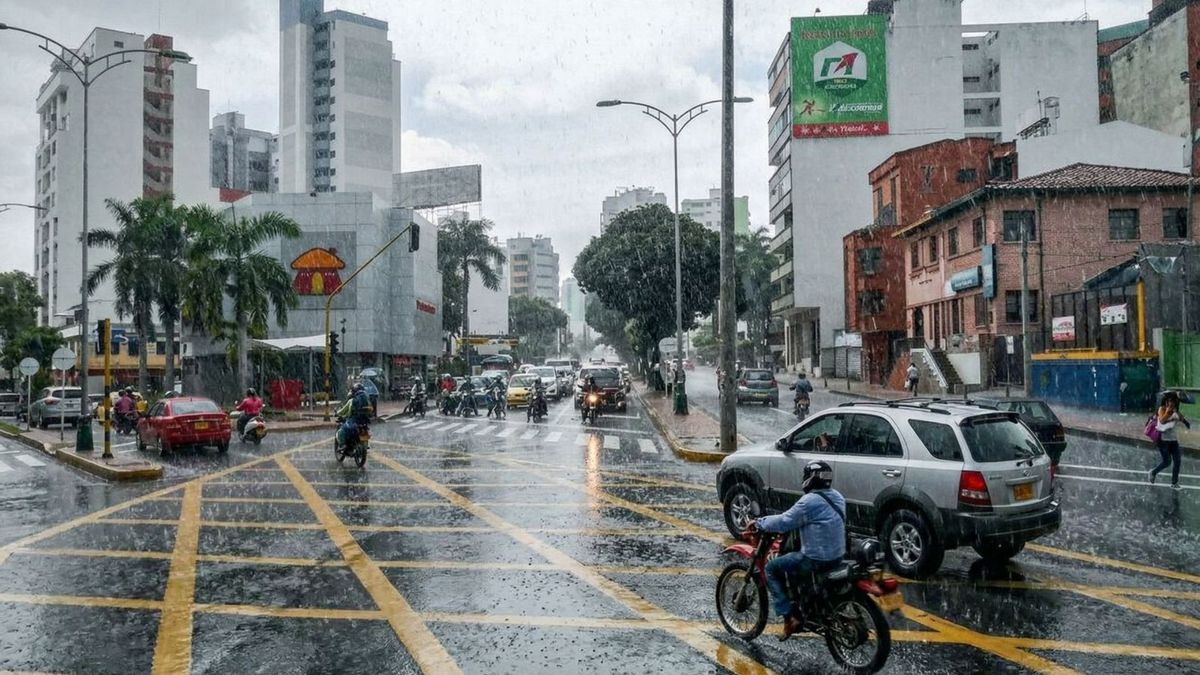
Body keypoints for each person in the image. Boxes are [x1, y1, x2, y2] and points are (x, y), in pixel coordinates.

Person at [750, 460, 846, 641]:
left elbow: (785, 521)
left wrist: (759, 522)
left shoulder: (809, 501)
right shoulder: (838, 496)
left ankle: (790, 617)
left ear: (810, 479)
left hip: (815, 559)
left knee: (772, 569)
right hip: (837, 557)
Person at [1150, 391, 1191, 489]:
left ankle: (1174, 482)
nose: (1171, 403)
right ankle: (1153, 472)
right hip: (1163, 440)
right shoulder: (1162, 409)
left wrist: (1186, 422)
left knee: (1177, 461)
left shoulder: (1175, 410)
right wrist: (1169, 412)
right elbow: (1162, 421)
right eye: (1169, 401)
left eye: (1173, 401)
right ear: (1166, 401)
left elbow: (1181, 418)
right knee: (1167, 462)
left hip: (1173, 440)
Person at [336, 382, 372, 449]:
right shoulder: (367, 400)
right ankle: (366, 445)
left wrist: (337, 413)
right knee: (366, 430)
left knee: (341, 431)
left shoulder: (352, 401)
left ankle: (343, 445)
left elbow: (343, 411)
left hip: (354, 420)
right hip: (364, 420)